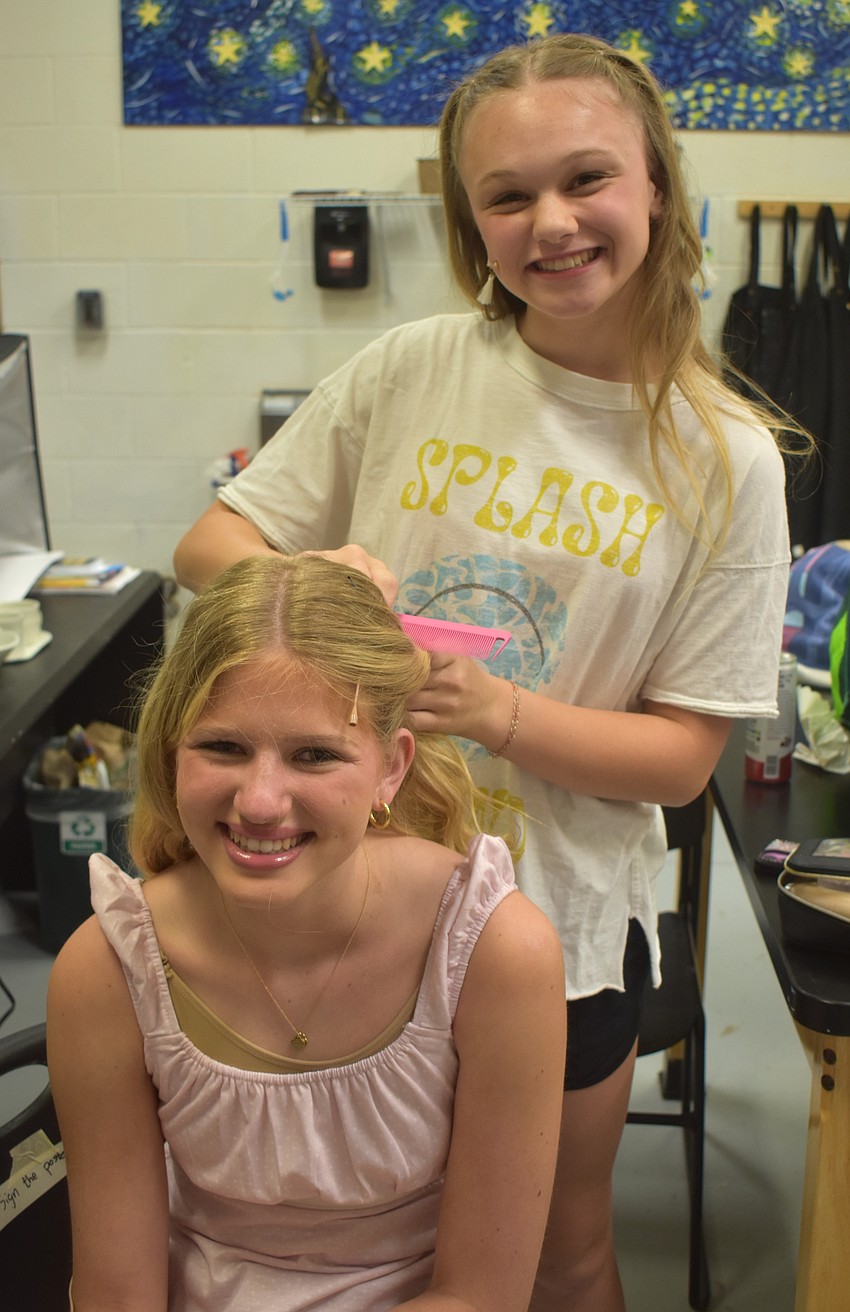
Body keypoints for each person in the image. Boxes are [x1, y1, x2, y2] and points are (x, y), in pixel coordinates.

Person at [173, 32, 793, 1312]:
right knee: (362, 1242)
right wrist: (323, 578)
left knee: (553, 1257)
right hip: (335, 894)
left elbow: (680, 757)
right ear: (469, 221)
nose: (549, 223)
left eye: (585, 181)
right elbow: (210, 541)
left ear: (656, 186)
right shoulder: (417, 367)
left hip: (553, 929)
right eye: (506, 197)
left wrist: (496, 711)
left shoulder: (727, 458)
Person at [46, 553, 566, 1312]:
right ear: (170, 750)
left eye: (315, 755)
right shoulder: (108, 970)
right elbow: (117, 1292)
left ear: (391, 768)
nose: (260, 801)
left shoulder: (492, 952)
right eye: (222, 747)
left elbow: (481, 1294)